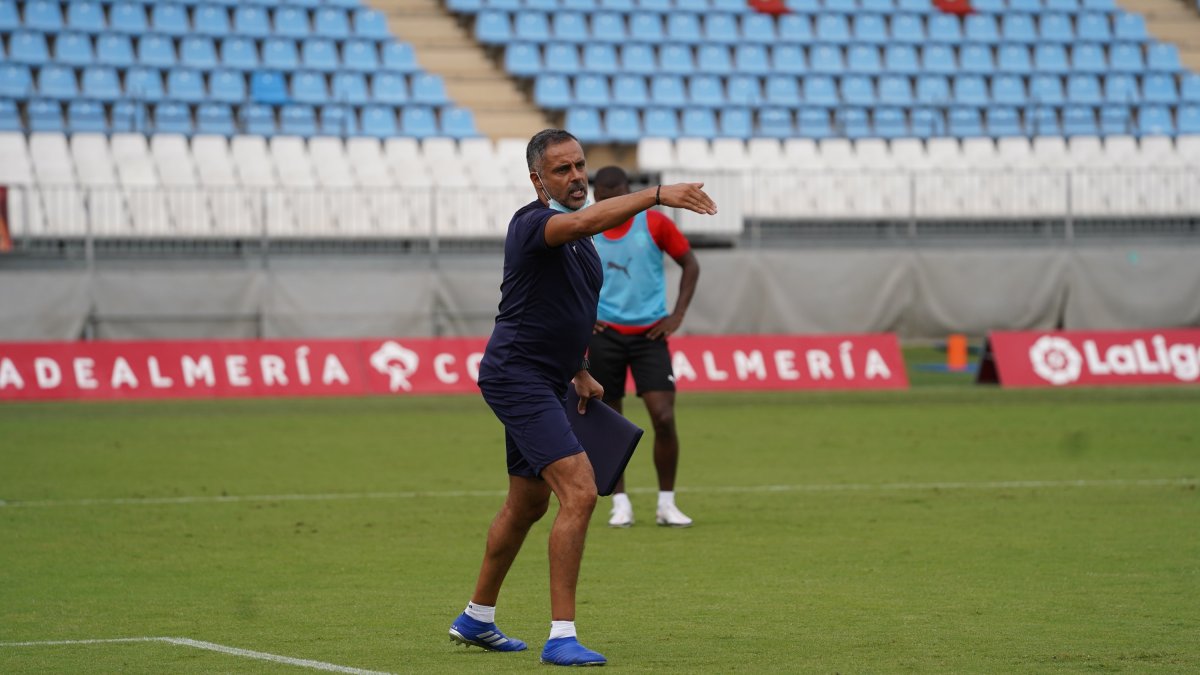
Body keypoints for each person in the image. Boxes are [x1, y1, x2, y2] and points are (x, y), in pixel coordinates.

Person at [448, 129, 717, 667]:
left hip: (550, 380)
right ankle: (562, 636)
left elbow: (563, 311)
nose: (575, 177)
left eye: (579, 166)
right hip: (516, 376)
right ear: (538, 182)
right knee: (580, 489)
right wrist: (657, 193)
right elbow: (585, 221)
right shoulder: (534, 224)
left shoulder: (585, 254)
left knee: (528, 503)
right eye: (561, 170)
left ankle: (476, 618)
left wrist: (580, 371)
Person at [588, 167, 700, 529]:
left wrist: (677, 314)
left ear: (629, 192)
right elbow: (561, 277)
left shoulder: (654, 224)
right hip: (603, 336)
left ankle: (666, 503)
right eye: (605, 196)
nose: (612, 201)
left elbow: (690, 264)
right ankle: (619, 502)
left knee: (663, 418)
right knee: (610, 424)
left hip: (650, 335)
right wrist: (583, 316)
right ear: (596, 196)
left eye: (619, 193)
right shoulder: (586, 227)